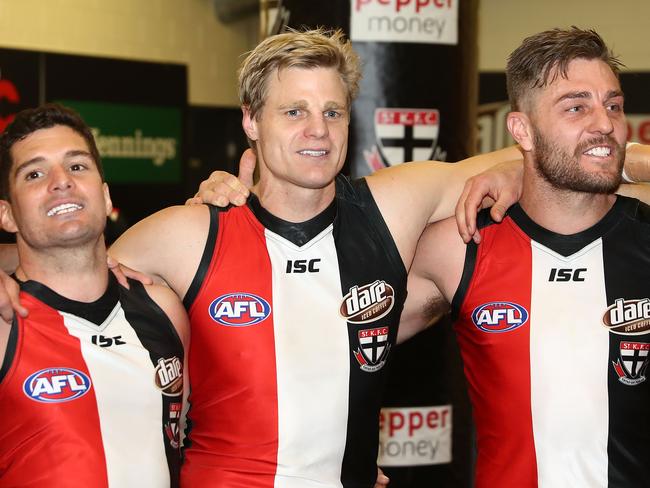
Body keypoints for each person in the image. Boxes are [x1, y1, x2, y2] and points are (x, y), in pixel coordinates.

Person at [107, 28, 529, 487]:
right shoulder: (188, 232)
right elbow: (51, 282)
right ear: (251, 121)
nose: (318, 131)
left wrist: (521, 166)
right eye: (294, 112)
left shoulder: (389, 209)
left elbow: (552, 155)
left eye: (333, 112)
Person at [397, 27, 650, 487]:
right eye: (576, 107)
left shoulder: (646, 236)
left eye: (612, 105)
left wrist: (627, 159)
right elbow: (332, 343)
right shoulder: (461, 246)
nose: (605, 122)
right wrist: (337, 454)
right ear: (521, 130)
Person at [0, 104, 190, 487]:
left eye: (77, 166)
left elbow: (183, 441)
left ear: (105, 197)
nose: (61, 182)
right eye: (34, 173)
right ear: (7, 215)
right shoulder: (5, 321)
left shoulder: (164, 310)